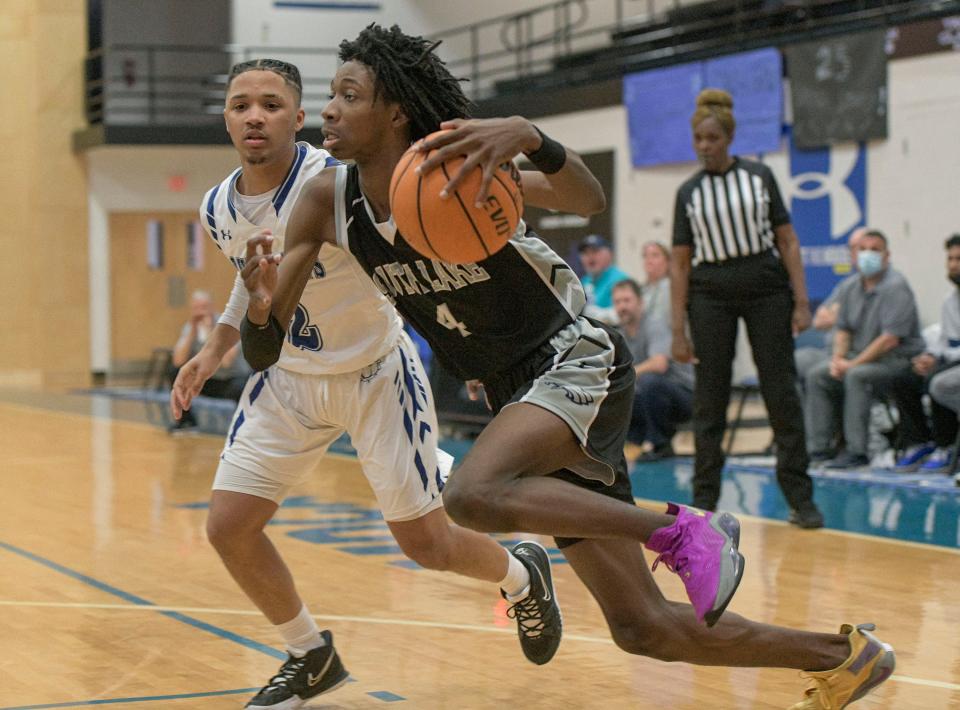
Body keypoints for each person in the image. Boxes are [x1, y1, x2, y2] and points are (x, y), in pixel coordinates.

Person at [239, 26, 894, 709]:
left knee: (469, 494)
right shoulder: (325, 203)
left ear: (397, 110)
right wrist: (260, 308)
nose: (330, 111)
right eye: (331, 97)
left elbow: (586, 199)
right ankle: (845, 655)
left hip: (575, 356)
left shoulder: (457, 170)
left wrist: (530, 136)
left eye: (350, 95)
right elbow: (266, 351)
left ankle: (681, 529)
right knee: (644, 627)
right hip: (514, 393)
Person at [170, 58, 561, 710]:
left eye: (271, 104)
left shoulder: (343, 182)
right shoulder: (217, 205)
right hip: (290, 379)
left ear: (298, 117)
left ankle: (522, 573)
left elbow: (437, 236)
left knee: (427, 544)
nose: (254, 116)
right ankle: (309, 655)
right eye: (241, 105)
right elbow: (250, 276)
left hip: (376, 373)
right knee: (228, 526)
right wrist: (213, 350)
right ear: (227, 118)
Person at [670, 88, 823, 530]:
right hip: (710, 293)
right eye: (698, 139)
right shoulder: (688, 192)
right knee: (709, 399)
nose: (704, 146)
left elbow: (788, 240)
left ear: (728, 138)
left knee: (781, 393)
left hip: (766, 288)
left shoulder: (759, 177)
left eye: (712, 138)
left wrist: (801, 302)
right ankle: (704, 502)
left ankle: (800, 498)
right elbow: (680, 262)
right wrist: (678, 328)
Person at [805, 230, 925, 470]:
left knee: (857, 376)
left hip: (896, 362)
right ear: (853, 255)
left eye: (875, 249)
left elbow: (889, 340)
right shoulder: (850, 287)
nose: (868, 254)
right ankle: (818, 449)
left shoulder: (896, 286)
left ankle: (856, 451)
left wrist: (852, 364)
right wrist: (838, 359)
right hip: (859, 358)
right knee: (819, 374)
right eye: (862, 249)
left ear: (887, 255)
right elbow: (843, 330)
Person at [887, 234, 960, 473]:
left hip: (954, 363)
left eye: (958, 259)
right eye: (949, 259)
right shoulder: (950, 301)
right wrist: (928, 356)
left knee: (936, 380)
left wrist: (940, 360)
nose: (952, 265)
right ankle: (919, 441)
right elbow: (944, 340)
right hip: (951, 359)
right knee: (903, 377)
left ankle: (946, 444)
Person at [613, 278, 693, 461]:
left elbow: (659, 364)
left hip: (683, 395)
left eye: (627, 300)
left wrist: (625, 375)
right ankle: (633, 443)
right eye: (618, 302)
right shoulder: (620, 334)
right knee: (617, 389)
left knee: (647, 382)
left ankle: (661, 444)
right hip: (652, 393)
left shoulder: (653, 324)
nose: (622, 306)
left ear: (640, 302)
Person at [795, 227, 867, 389]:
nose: (855, 252)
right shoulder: (847, 285)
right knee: (791, 362)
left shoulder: (890, 285)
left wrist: (839, 312)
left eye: (861, 247)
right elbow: (820, 320)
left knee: (818, 374)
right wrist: (847, 312)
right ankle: (802, 414)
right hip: (829, 351)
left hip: (858, 354)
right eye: (852, 248)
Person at [168, 290, 250, 431]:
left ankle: (244, 428)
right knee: (175, 372)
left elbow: (226, 362)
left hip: (230, 381)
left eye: (204, 307)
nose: (201, 312)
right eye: (197, 308)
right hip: (207, 381)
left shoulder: (227, 326)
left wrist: (212, 330)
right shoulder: (190, 328)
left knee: (242, 386)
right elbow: (178, 360)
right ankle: (186, 422)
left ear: (213, 307)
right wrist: (193, 330)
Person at [578, 234, 629, 323]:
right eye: (585, 253)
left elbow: (624, 314)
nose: (590, 257)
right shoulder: (584, 281)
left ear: (609, 254)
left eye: (595, 251)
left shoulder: (620, 280)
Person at [641, 240, 672, 324]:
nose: (649, 260)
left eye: (655, 255)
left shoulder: (669, 286)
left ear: (668, 261)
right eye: (645, 256)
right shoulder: (644, 289)